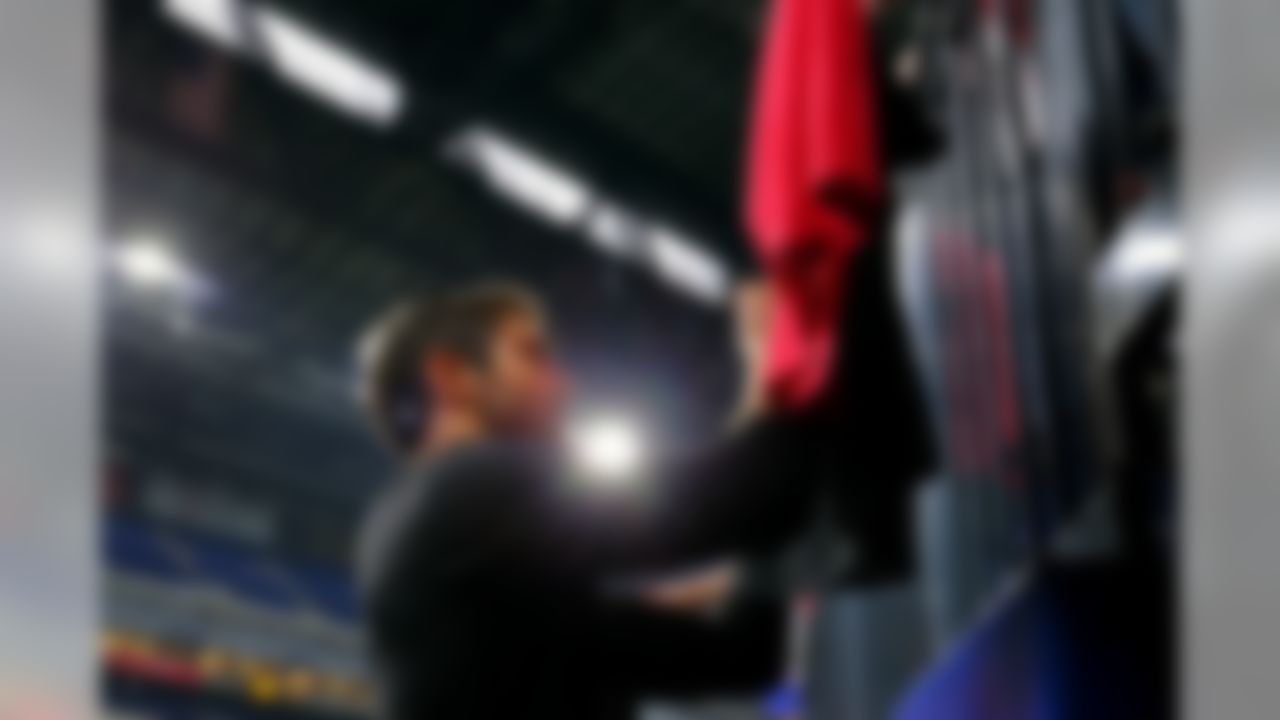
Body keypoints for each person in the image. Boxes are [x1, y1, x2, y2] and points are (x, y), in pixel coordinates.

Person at [354, 281, 822, 720]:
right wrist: (768, 354)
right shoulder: (468, 485)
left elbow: (742, 659)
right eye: (532, 354)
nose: (563, 384)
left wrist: (744, 571)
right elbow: (735, 497)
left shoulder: (435, 539)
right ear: (450, 376)